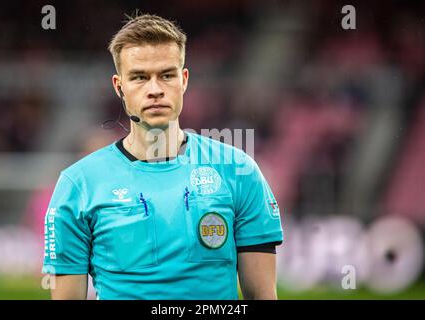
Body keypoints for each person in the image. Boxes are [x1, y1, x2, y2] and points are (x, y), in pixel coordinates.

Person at [42, 13, 283, 300]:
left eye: (166, 75)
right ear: (119, 87)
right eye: (140, 77)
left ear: (183, 80)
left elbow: (263, 295)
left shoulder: (238, 170)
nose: (155, 89)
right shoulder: (77, 185)